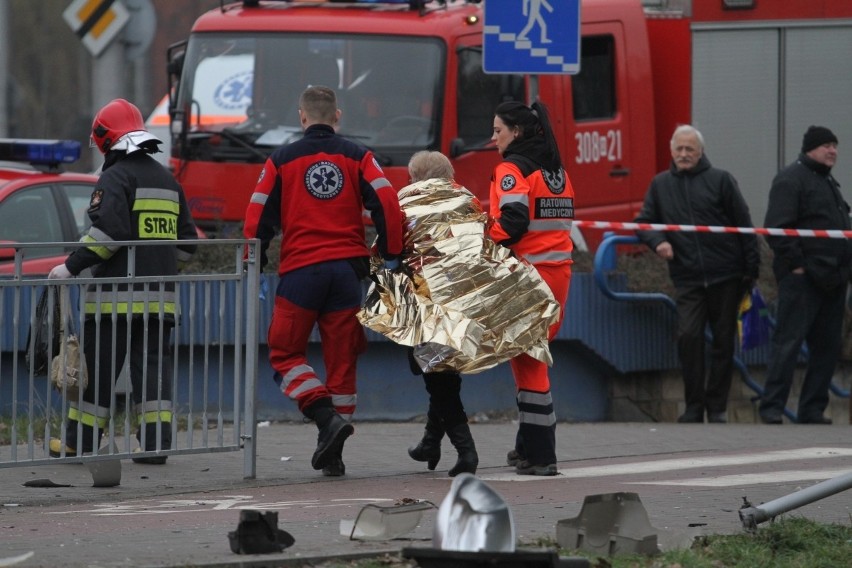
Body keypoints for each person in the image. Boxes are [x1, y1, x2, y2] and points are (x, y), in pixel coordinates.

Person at [243, 85, 403, 476]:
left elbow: (256, 215)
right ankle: (334, 452)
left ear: (301, 117)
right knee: (342, 361)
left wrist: (254, 261)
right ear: (337, 116)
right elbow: (387, 202)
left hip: (301, 272)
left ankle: (323, 416)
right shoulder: (358, 156)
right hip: (348, 273)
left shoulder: (280, 160)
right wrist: (394, 255)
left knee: (284, 354)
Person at [48, 98, 198, 464]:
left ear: (104, 138)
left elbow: (108, 233)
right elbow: (188, 246)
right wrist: (155, 256)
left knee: (97, 376)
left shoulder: (115, 177)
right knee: (154, 378)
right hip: (159, 300)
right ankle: (155, 447)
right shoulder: (167, 179)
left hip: (114, 302)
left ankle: (78, 443)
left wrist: (70, 266)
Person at [634, 124, 760, 424]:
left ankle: (716, 408)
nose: (684, 154)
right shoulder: (660, 184)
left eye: (690, 149)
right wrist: (659, 242)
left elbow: (745, 226)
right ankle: (693, 407)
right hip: (687, 277)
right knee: (688, 337)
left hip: (726, 275)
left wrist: (751, 271)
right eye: (679, 149)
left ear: (701, 152)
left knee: (723, 342)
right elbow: (644, 222)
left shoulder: (721, 180)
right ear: (671, 151)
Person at [489, 101, 573, 476]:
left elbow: (514, 221)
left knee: (529, 363)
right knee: (529, 358)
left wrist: (480, 238)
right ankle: (527, 446)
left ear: (517, 133)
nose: (493, 139)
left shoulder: (511, 169)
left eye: (498, 131)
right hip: (558, 277)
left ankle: (542, 456)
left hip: (527, 278)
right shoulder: (558, 172)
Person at [759, 126, 851, 425]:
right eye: (826, 145)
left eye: (835, 146)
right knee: (788, 344)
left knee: (826, 349)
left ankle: (812, 409)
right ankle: (772, 409)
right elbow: (777, 228)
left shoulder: (828, 182)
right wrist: (798, 265)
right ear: (810, 148)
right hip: (803, 280)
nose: (833, 151)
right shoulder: (790, 179)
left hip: (833, 280)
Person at [404, 150, 478, 477]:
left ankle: (467, 451)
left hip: (430, 302)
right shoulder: (468, 202)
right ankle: (430, 443)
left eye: (411, 178)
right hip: (465, 299)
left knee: (439, 381)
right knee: (444, 376)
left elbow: (396, 248)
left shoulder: (414, 206)